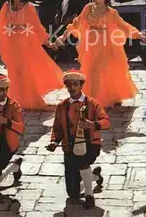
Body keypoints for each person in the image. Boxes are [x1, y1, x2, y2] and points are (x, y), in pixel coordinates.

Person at [54, 0, 146, 109]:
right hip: (90, 45)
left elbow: (123, 26)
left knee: (97, 70)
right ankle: (92, 97)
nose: (97, 1)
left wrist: (138, 34)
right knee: (89, 69)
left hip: (105, 45)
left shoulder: (111, 13)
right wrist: (63, 36)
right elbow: (76, 23)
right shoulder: (88, 8)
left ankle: (95, 99)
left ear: (106, 0)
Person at [0, 0, 63, 110]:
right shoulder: (6, 6)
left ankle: (27, 99)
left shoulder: (28, 8)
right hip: (10, 43)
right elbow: (0, 25)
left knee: (24, 71)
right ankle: (15, 100)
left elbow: (37, 26)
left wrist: (47, 42)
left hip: (25, 44)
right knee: (13, 71)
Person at [47, 70, 109, 208]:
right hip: (70, 146)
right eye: (69, 85)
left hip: (90, 144)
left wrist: (93, 125)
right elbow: (57, 128)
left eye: (75, 84)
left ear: (82, 86)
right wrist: (53, 141)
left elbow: (105, 121)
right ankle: (94, 176)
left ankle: (89, 196)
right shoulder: (62, 106)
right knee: (72, 193)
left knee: (82, 162)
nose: (72, 88)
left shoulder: (93, 104)